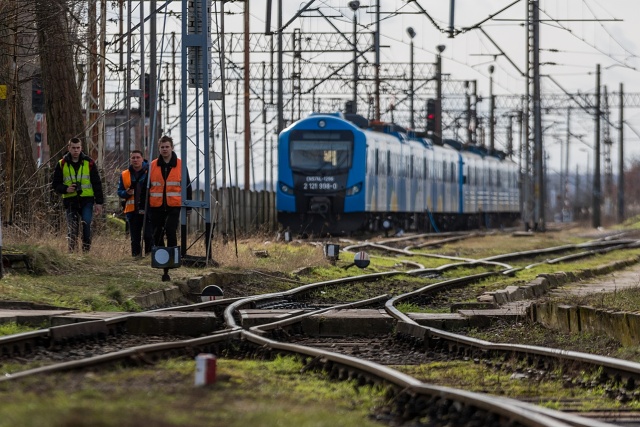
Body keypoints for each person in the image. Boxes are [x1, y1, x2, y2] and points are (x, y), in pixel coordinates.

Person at [148, 135, 192, 281]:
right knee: (157, 233)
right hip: (156, 205)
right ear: (159, 148)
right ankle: (161, 259)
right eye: (162, 147)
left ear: (172, 147)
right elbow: (147, 187)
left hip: (174, 204)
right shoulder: (153, 165)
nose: (165, 149)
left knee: (170, 229)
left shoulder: (180, 165)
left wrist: (189, 206)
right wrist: (144, 205)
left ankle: (173, 258)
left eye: (167, 147)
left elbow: (187, 186)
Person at [52, 137, 104, 252]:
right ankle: (72, 252)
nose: (76, 150)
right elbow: (55, 184)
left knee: (86, 224)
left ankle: (86, 252)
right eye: (73, 148)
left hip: (87, 199)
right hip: (70, 200)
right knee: (72, 227)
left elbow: (96, 183)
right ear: (69, 148)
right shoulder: (62, 164)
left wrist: (99, 202)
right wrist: (66, 189)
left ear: (81, 148)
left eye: (78, 148)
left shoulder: (89, 163)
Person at [117, 150, 153, 257]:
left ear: (142, 159)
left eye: (138, 157)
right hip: (132, 211)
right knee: (135, 238)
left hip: (148, 209)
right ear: (130, 159)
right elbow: (119, 191)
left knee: (148, 236)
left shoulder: (150, 172)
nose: (135, 160)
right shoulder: (124, 174)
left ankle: (149, 258)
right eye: (133, 158)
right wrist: (126, 193)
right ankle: (136, 258)